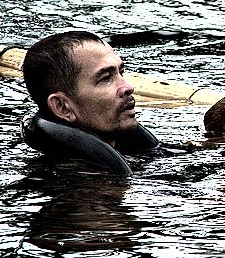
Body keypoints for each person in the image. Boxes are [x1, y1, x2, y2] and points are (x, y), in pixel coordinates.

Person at [20, 30, 160, 177]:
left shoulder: (128, 153)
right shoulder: (81, 190)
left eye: (121, 72)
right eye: (106, 78)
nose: (128, 87)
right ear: (63, 107)